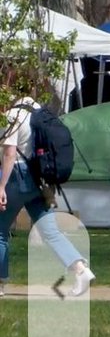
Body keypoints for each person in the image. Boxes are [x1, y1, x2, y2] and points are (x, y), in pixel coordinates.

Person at [0, 96, 94, 298]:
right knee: (51, 232)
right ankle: (81, 270)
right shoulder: (38, 111)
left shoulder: (13, 116)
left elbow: (9, 154)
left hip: (17, 176)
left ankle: (1, 283)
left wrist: (1, 186)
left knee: (0, 232)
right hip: (38, 179)